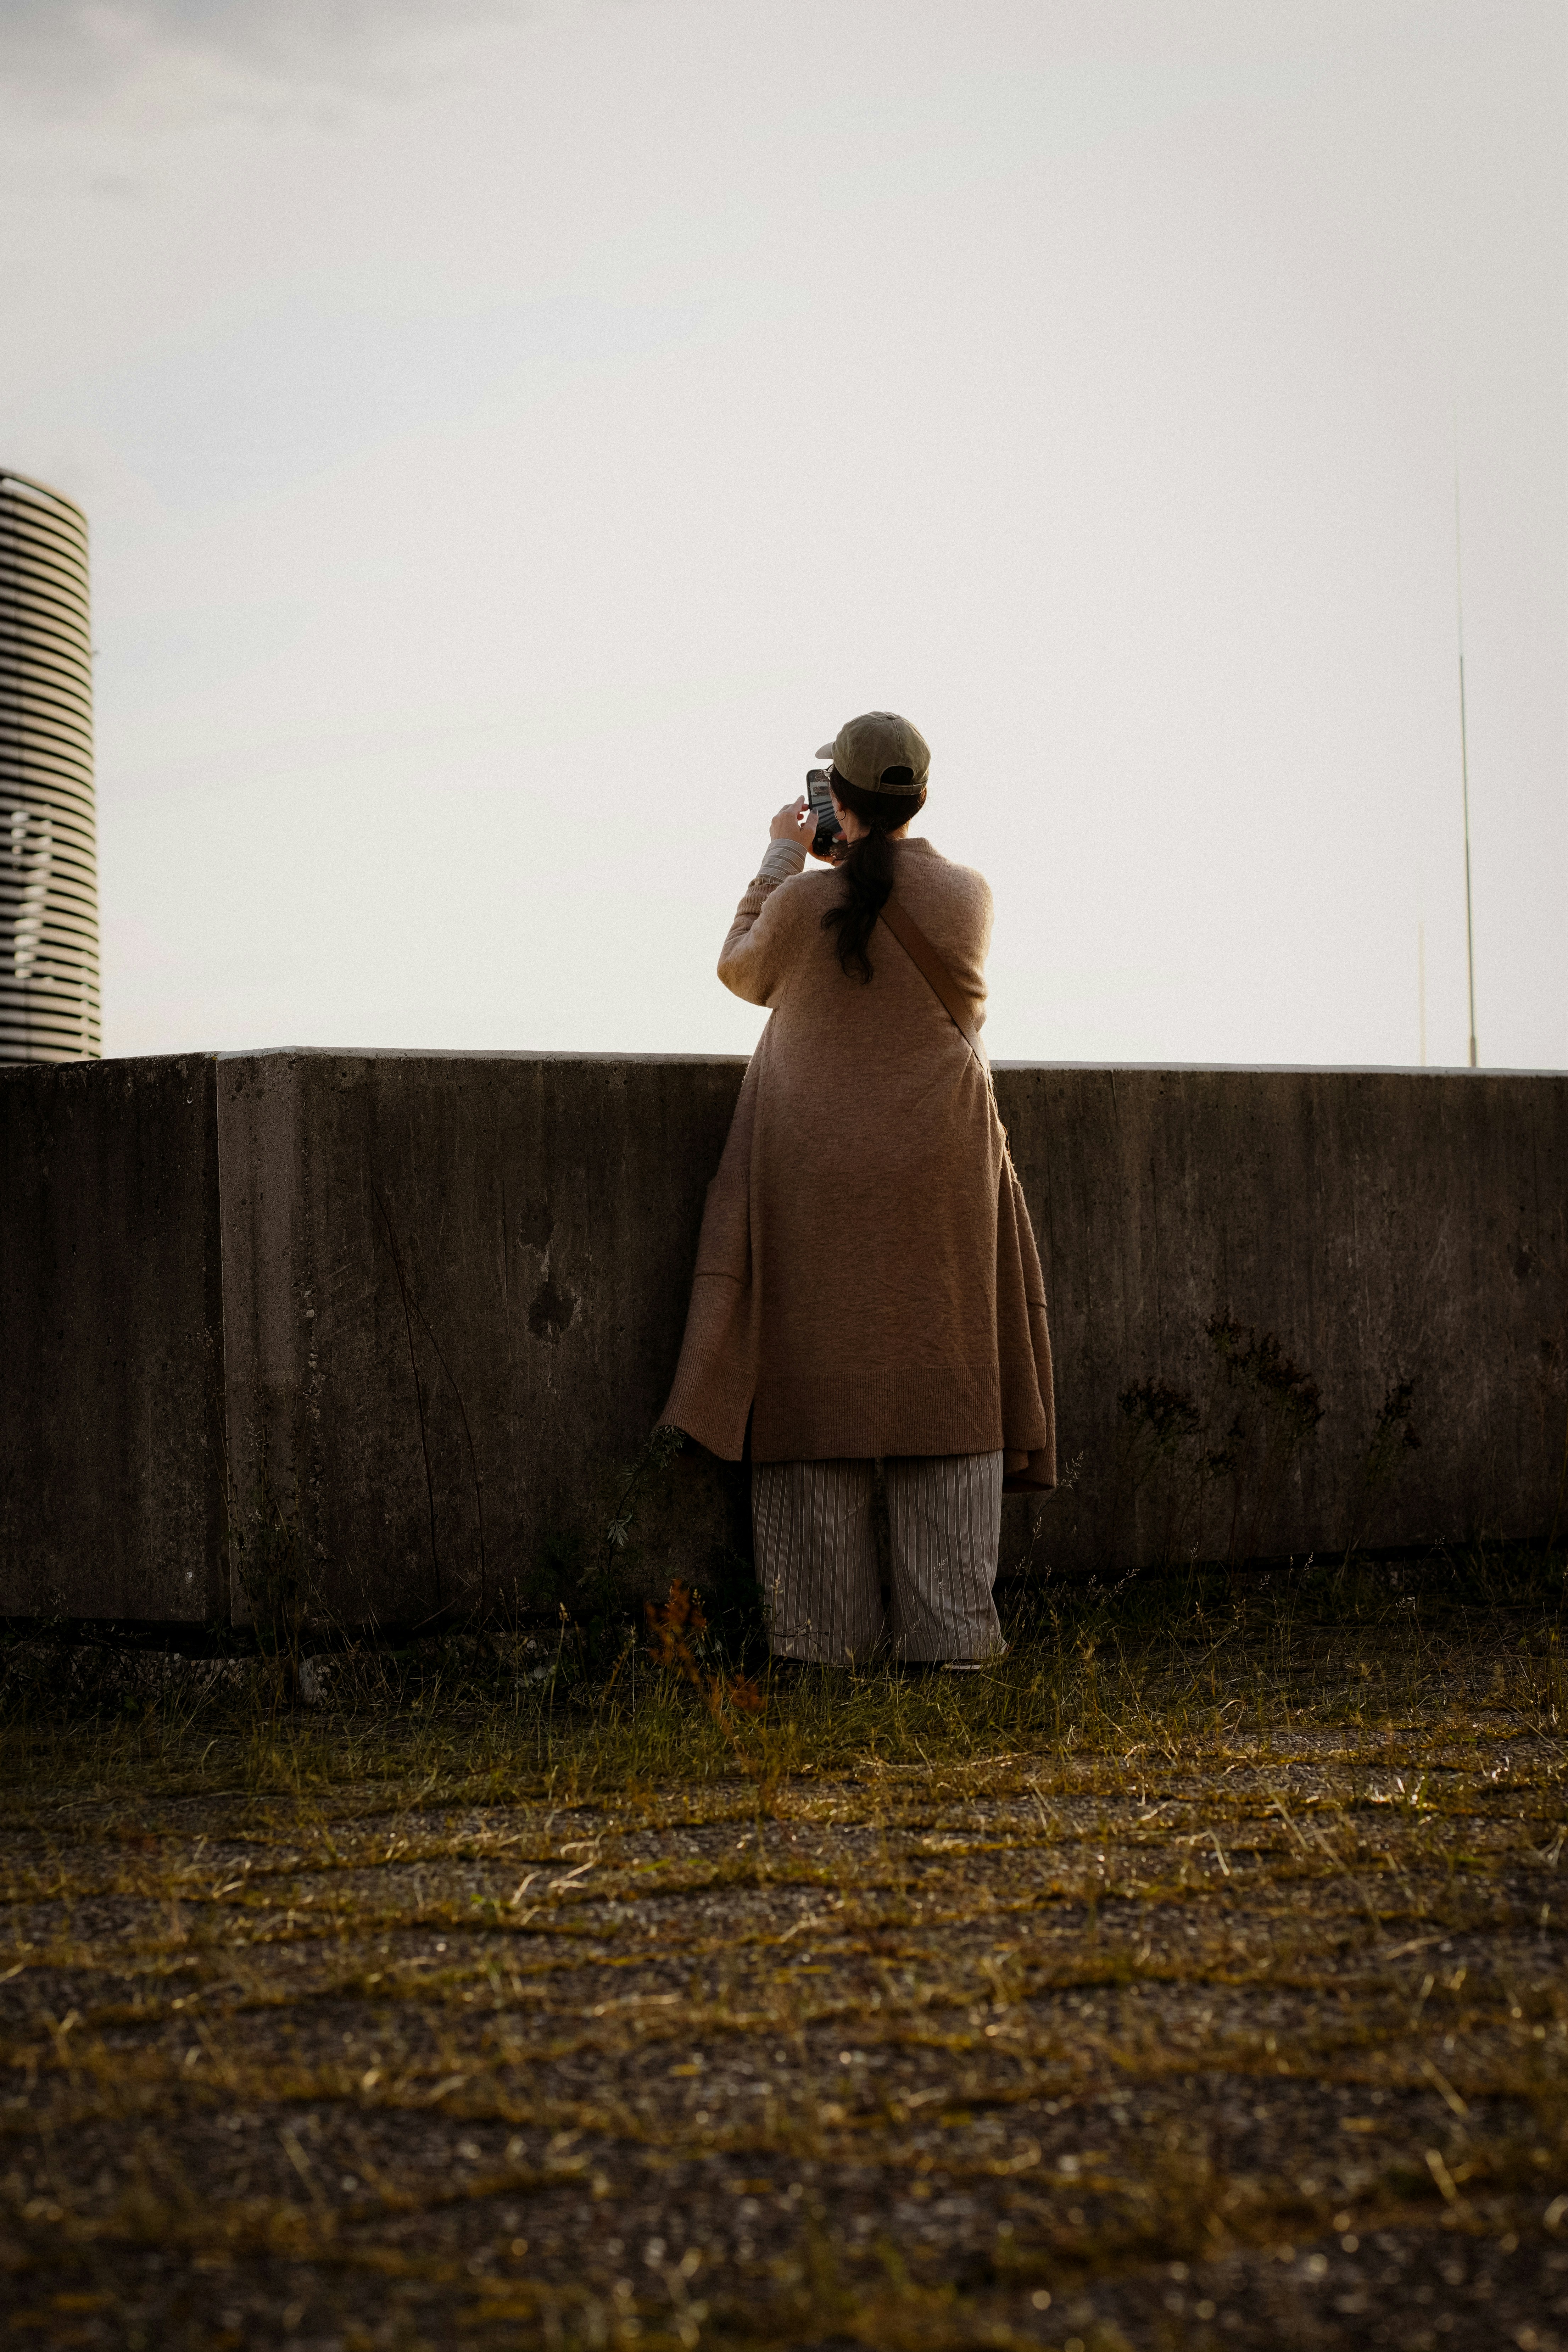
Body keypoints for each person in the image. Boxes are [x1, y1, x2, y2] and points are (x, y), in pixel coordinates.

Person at [660, 711, 1055, 1667]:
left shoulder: (804, 905)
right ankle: (953, 1638)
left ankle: (821, 1640)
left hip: (816, 1179)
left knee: (815, 1380)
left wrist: (783, 854)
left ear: (835, 796)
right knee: (944, 1375)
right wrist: (851, 852)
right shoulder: (970, 898)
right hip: (941, 1178)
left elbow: (740, 968)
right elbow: (901, 907)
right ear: (921, 798)